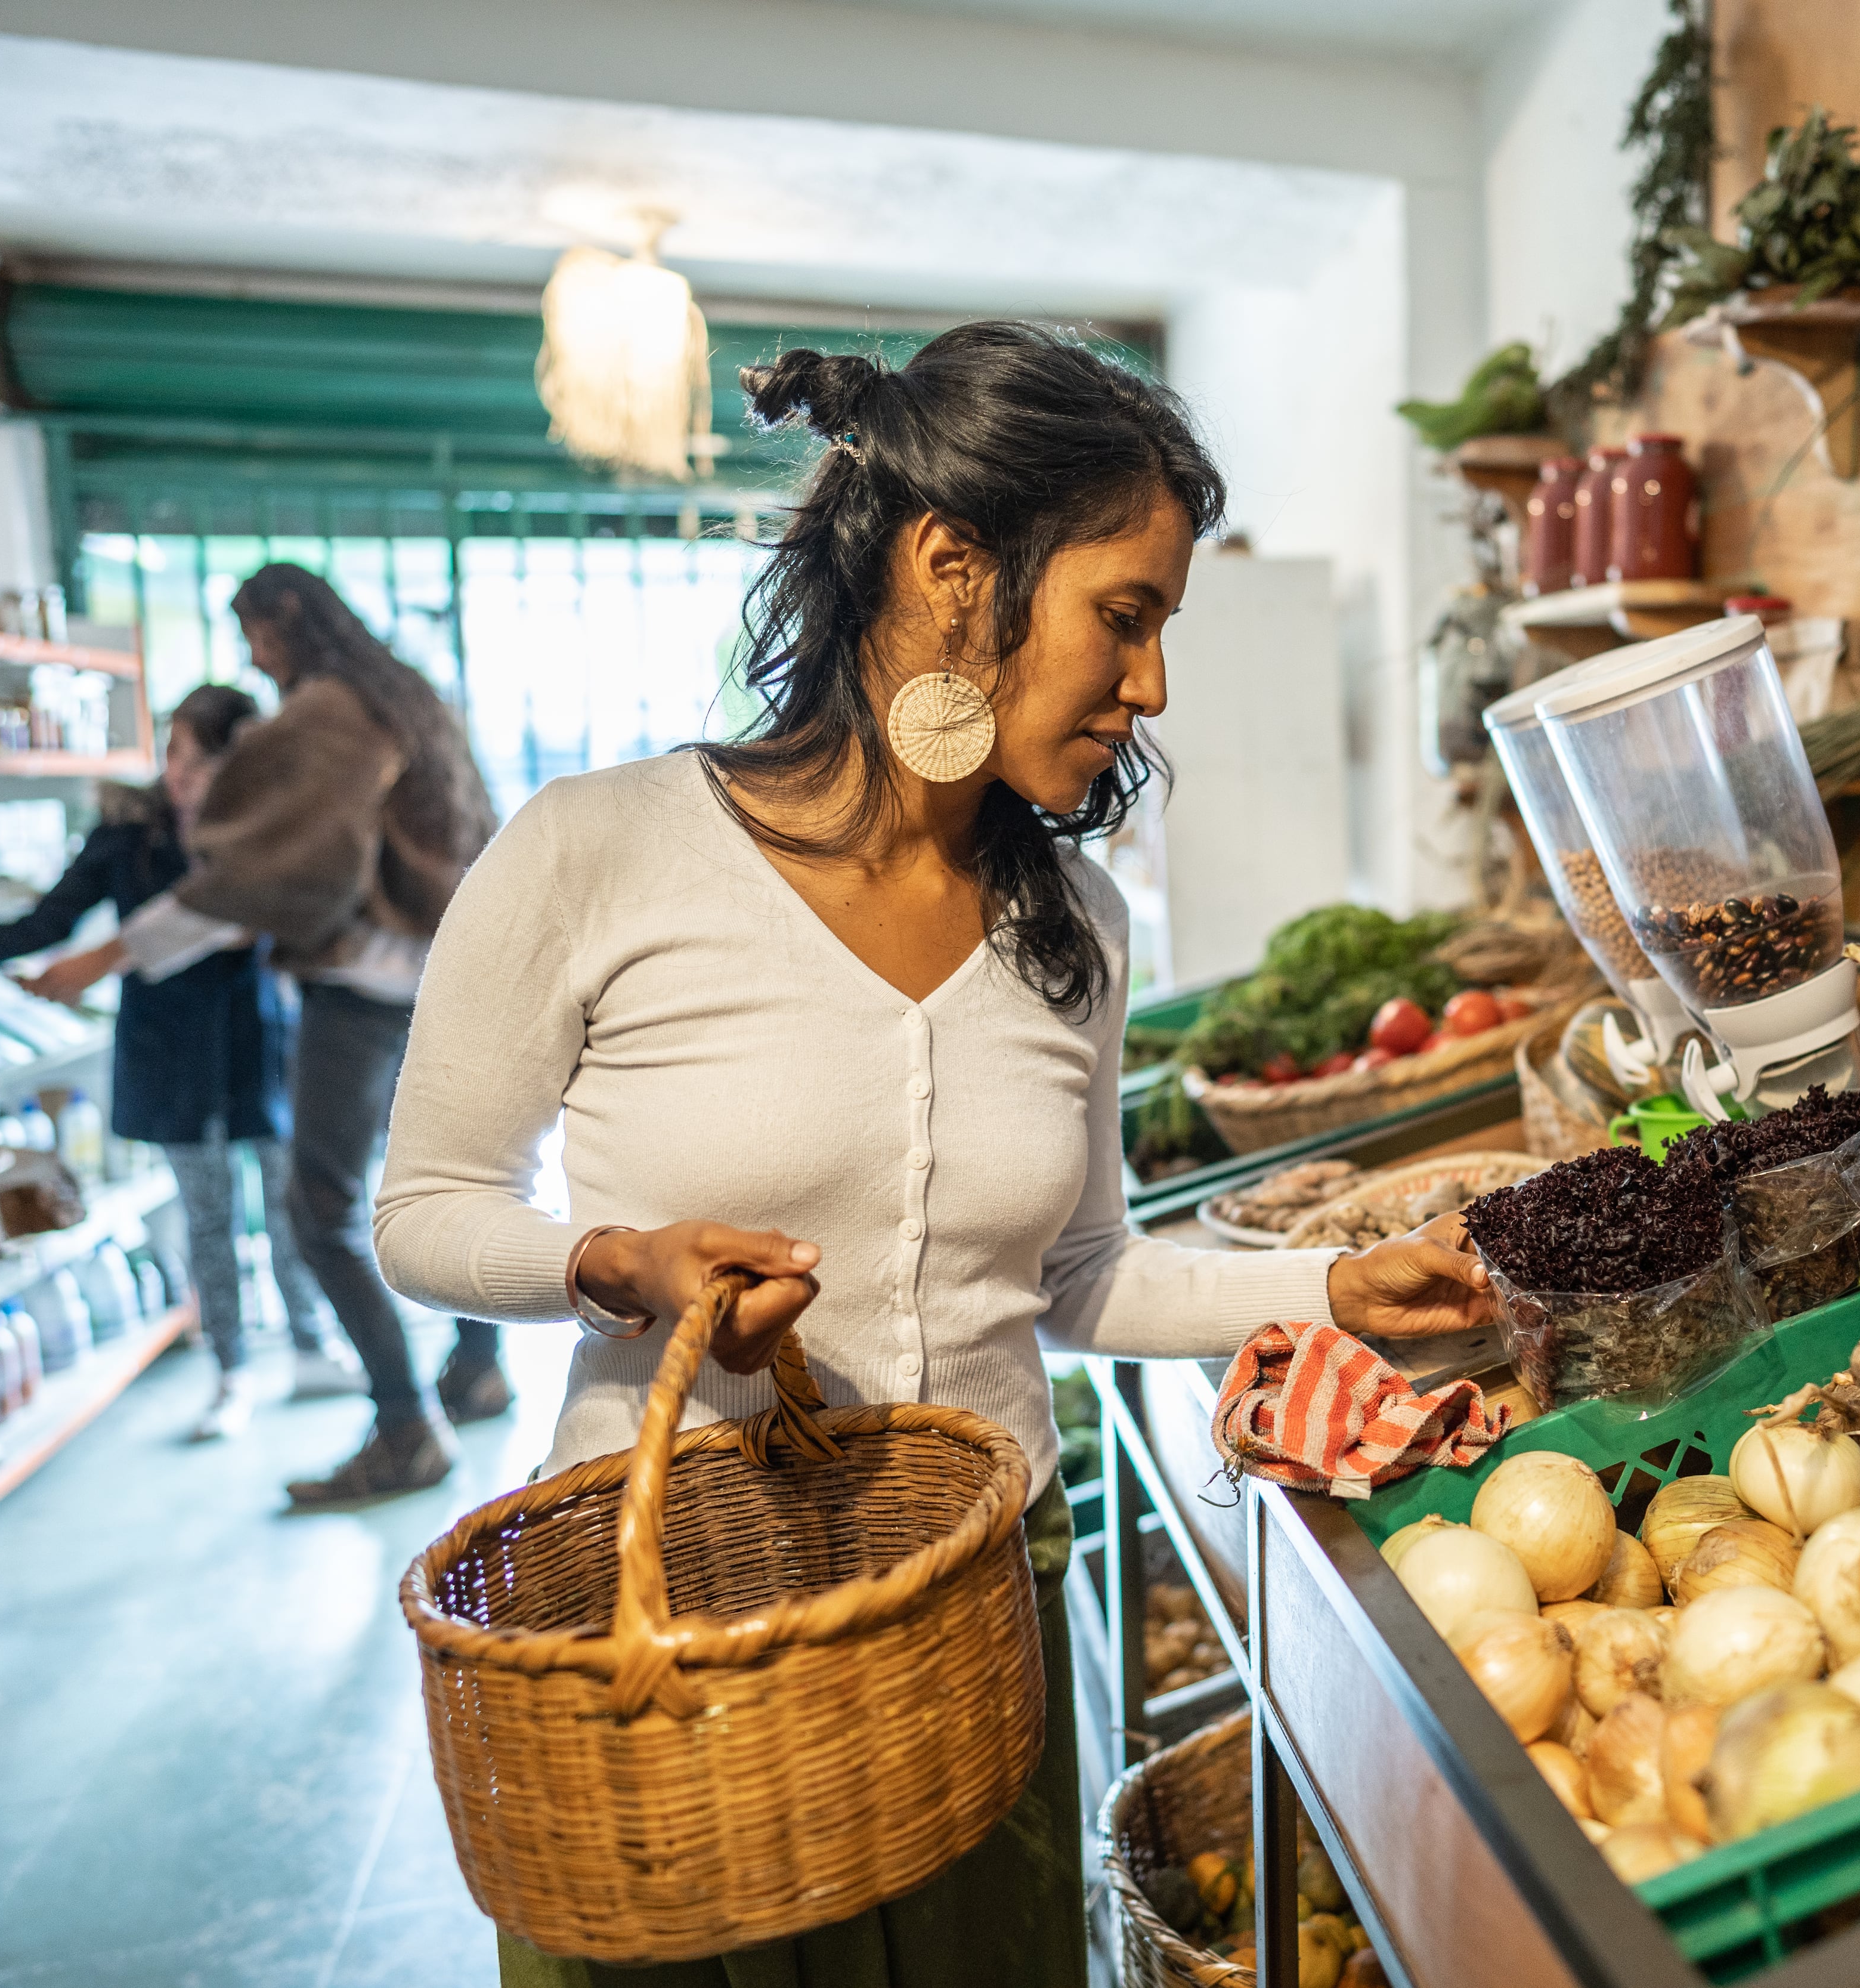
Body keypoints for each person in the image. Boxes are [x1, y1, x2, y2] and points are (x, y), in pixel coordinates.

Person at [374, 324, 1494, 1987]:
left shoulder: (1080, 927)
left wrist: (1332, 1282)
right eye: (1127, 613)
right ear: (953, 567)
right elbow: (422, 1212)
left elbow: (1077, 1275)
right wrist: (613, 1265)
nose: (1154, 684)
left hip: (981, 1617)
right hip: (676, 1631)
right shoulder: (596, 853)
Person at [114, 564, 507, 1504]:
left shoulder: (331, 710)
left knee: (319, 1209)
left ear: (288, 619)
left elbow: (287, 863)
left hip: (362, 986)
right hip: (448, 974)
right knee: (456, 1178)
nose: (253, 655)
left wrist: (120, 948)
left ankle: (407, 1425)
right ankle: (480, 1368)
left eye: (254, 632)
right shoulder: (409, 695)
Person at [0, 687, 354, 1437]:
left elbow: (279, 921)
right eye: (178, 755)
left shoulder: (264, 834)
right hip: (170, 1050)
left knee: (286, 1203)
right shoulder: (127, 831)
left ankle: (310, 1346)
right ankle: (230, 1370)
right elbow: (45, 923)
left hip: (256, 1040)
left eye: (207, 764)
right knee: (206, 1213)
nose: (186, 778)